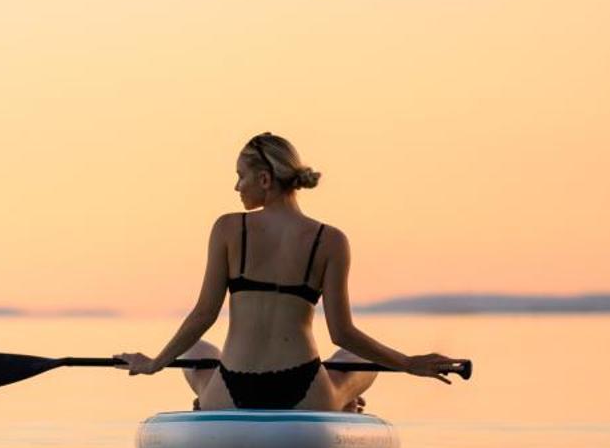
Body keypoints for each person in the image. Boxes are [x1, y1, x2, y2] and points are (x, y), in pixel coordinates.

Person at [118, 133, 461, 411]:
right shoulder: (330, 240)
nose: (237, 187)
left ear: (265, 179)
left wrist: (154, 363)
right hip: (304, 392)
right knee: (352, 358)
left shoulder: (227, 229)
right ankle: (344, 402)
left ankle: (208, 400)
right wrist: (408, 363)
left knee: (195, 352)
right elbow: (343, 334)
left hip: (233, 390)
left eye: (241, 176)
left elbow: (203, 315)